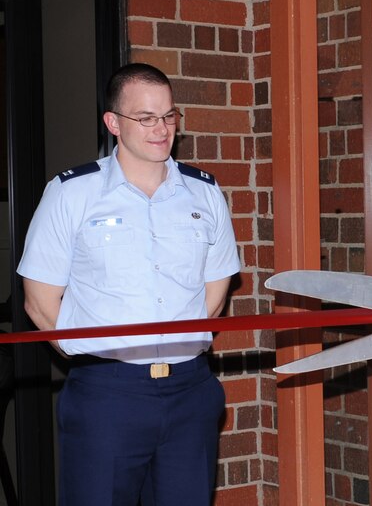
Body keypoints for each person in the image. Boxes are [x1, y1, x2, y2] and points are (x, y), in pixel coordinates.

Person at [17, 62, 241, 505]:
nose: (161, 129)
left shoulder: (205, 192)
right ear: (113, 123)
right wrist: (104, 362)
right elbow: (40, 303)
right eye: (146, 118)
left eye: (169, 115)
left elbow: (215, 295)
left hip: (189, 392)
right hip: (106, 397)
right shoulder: (72, 193)